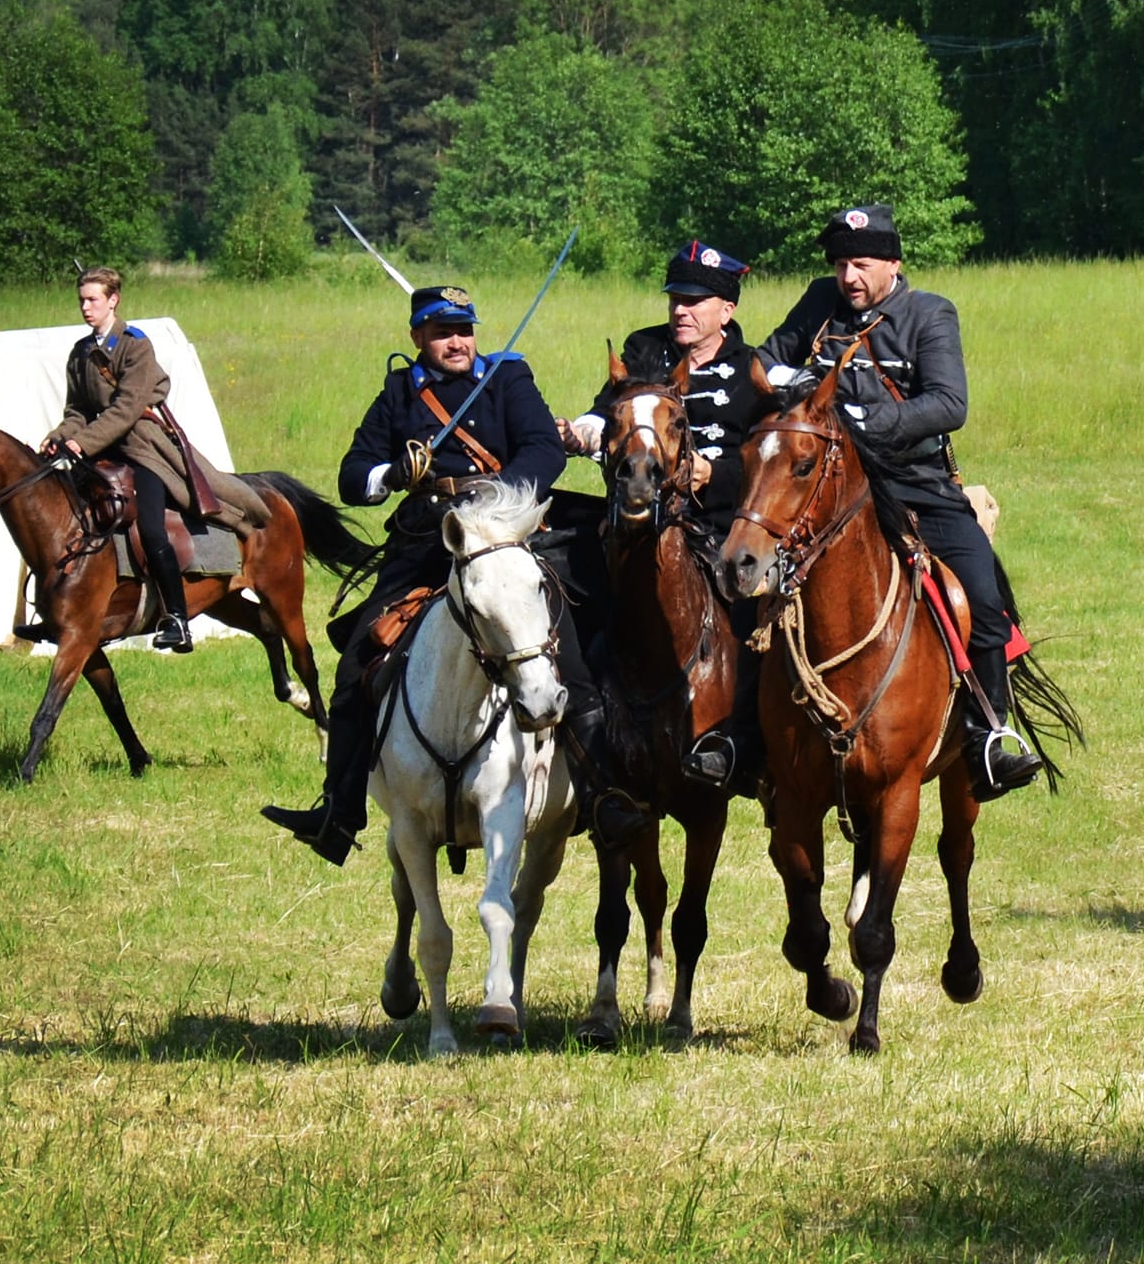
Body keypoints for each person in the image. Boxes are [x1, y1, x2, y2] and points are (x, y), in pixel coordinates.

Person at [261, 285, 646, 865]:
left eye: (464, 330)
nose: (457, 342)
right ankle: (339, 812)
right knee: (360, 662)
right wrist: (393, 473)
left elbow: (542, 452)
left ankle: (602, 794)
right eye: (442, 333)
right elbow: (352, 475)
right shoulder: (399, 393)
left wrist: (496, 506)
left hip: (507, 532)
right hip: (426, 538)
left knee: (568, 650)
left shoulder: (509, 378)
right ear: (418, 337)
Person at [754, 205, 1043, 801]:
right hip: (828, 485)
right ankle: (753, 735)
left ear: (893, 263)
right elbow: (763, 360)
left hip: (913, 480)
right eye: (840, 265)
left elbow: (947, 403)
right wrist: (799, 385)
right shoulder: (818, 303)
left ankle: (989, 734)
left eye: (861, 264)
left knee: (984, 594)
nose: (849, 277)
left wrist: (871, 419)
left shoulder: (929, 314)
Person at [560, 240, 771, 793]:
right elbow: (607, 408)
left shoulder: (749, 369)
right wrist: (580, 429)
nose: (681, 310)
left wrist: (715, 475)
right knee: (573, 592)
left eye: (697, 301)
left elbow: (764, 456)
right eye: (677, 298)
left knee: (756, 619)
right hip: (636, 520)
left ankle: (743, 741)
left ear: (726, 309)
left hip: (719, 522)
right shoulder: (643, 350)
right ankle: (579, 728)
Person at [40, 266, 270, 652]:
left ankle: (177, 618)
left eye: (92, 299)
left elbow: (127, 409)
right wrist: (60, 437)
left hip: (142, 448)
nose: (85, 307)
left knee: (149, 527)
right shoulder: (79, 353)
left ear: (113, 300)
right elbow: (77, 410)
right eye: (81, 300)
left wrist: (84, 443)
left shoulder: (135, 345)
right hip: (100, 452)